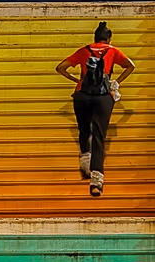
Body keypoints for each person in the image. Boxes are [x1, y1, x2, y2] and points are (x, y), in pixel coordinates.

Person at [55, 22, 135, 197]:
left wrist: (76, 79)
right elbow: (131, 66)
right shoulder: (113, 51)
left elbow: (60, 67)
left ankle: (85, 164)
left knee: (84, 130)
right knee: (99, 136)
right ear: (109, 39)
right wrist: (116, 83)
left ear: (95, 38)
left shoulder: (84, 51)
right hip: (102, 97)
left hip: (82, 95)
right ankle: (96, 182)